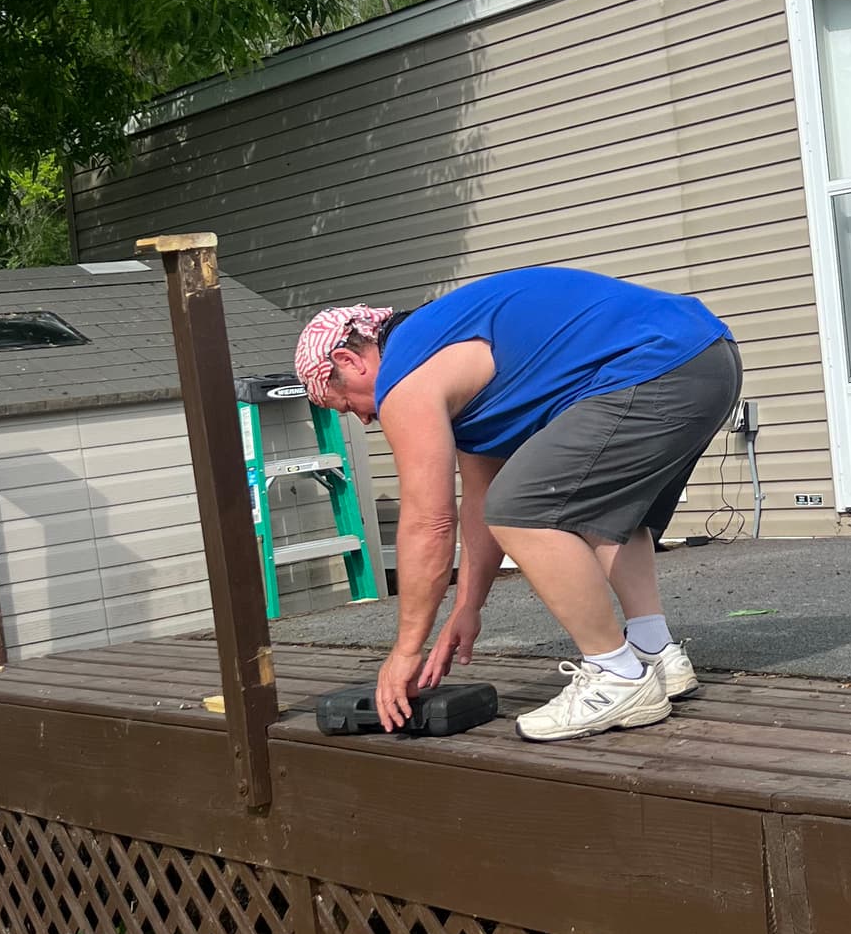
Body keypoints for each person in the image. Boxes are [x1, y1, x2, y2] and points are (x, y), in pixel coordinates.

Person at [294, 267, 739, 741]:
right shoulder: (441, 348)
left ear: (349, 360)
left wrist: (405, 651)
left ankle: (617, 676)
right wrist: (468, 606)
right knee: (599, 506)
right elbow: (478, 501)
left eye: (346, 404)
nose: (364, 419)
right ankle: (654, 651)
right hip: (708, 357)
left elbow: (430, 523)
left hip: (657, 367)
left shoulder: (406, 376)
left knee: (525, 507)